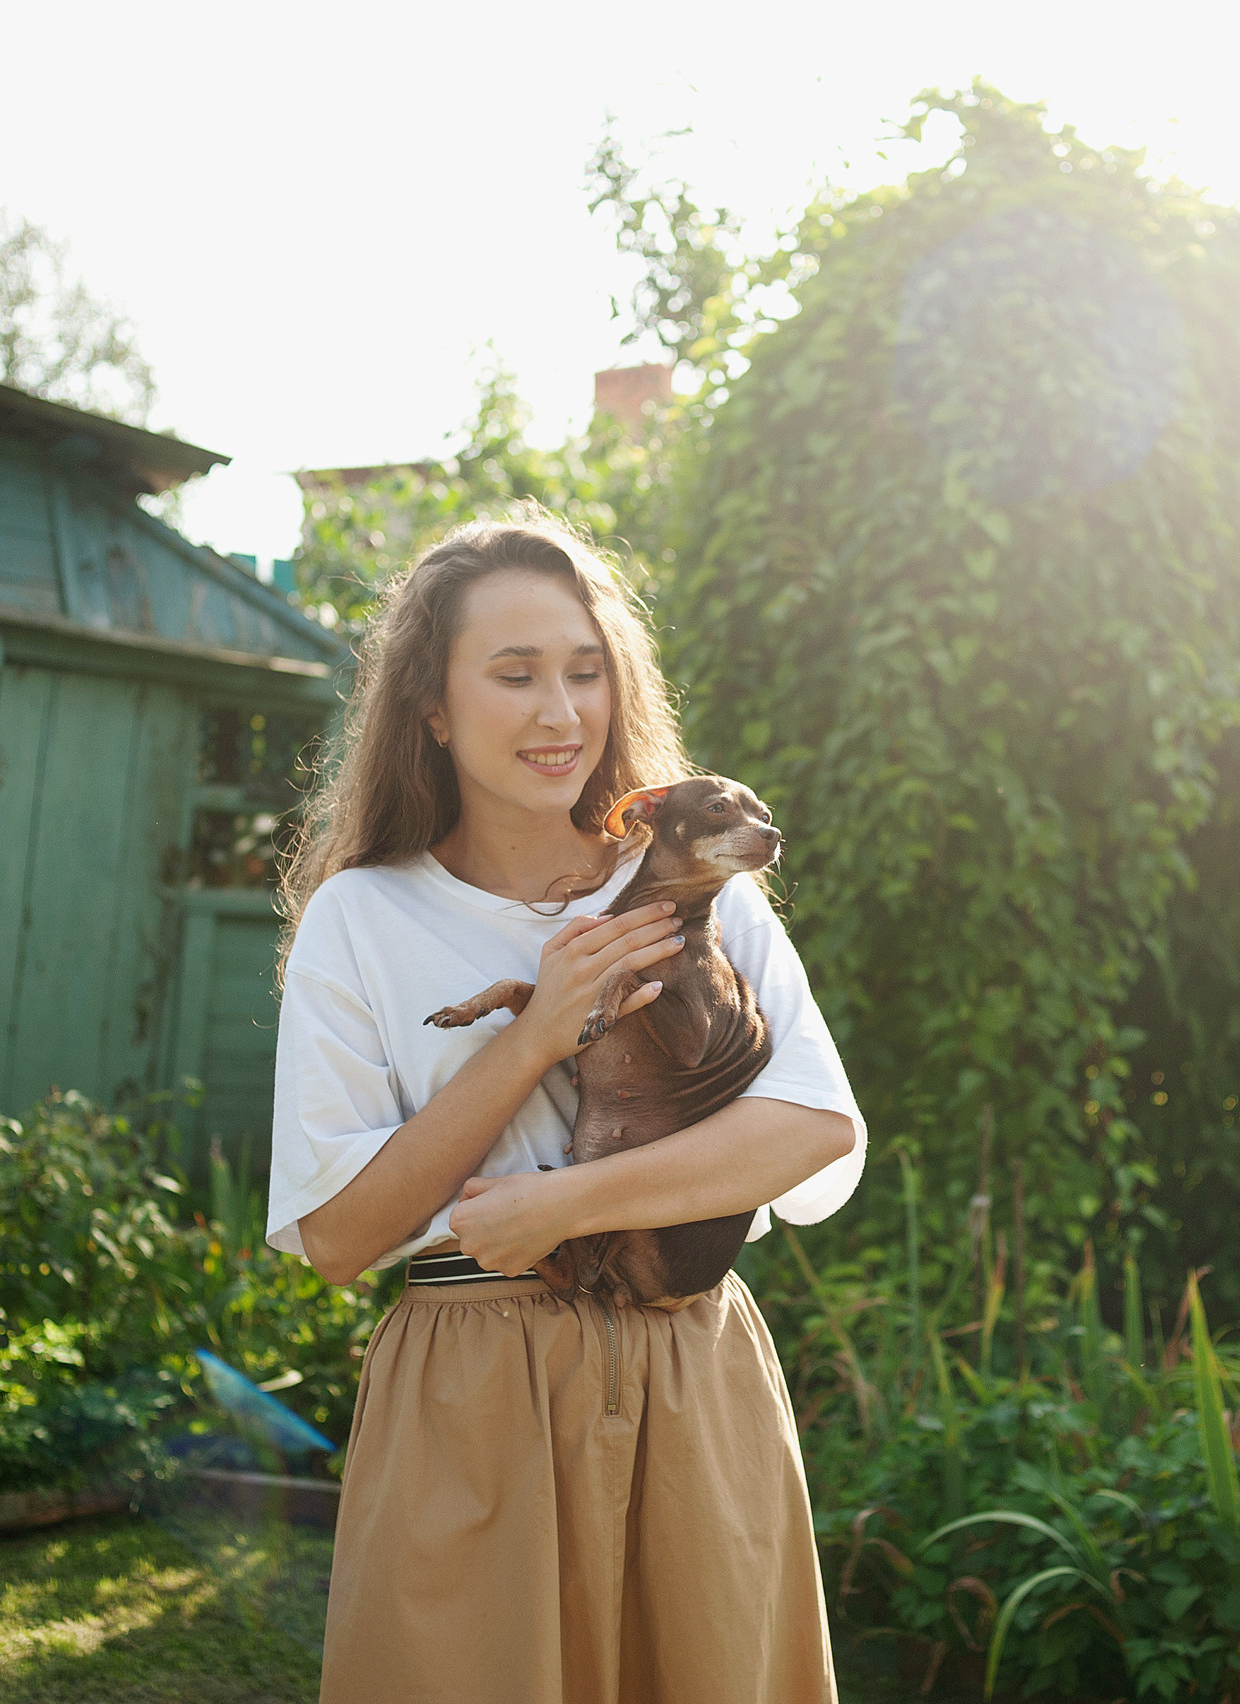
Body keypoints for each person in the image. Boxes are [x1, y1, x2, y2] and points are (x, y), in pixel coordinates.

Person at [266, 510, 866, 1703]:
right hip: (467, 1392)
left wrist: (564, 1202)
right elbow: (336, 1237)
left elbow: (811, 1127)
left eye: (586, 673)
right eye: (516, 675)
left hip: (688, 1372)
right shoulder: (364, 917)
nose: (560, 712)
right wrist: (535, 1033)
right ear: (431, 708)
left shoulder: (699, 888)